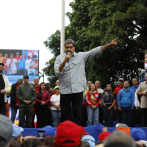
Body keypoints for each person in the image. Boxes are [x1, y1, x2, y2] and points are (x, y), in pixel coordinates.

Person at [54, 38, 118, 125]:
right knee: (64, 114)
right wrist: (65, 61)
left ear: (74, 48)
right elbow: (57, 72)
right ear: (65, 48)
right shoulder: (59, 58)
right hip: (65, 90)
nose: (69, 49)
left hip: (78, 90)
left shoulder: (81, 56)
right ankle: (65, 134)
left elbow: (94, 51)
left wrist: (109, 45)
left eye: (70, 47)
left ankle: (77, 134)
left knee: (78, 114)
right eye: (67, 47)